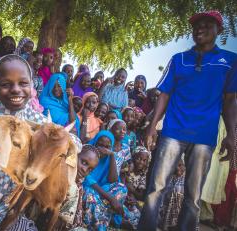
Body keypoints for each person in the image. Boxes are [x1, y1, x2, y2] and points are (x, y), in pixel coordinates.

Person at [0, 54, 82, 230]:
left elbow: (72, 141)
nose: (16, 89)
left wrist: (65, 141)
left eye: (23, 83)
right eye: (6, 84)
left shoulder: (32, 118)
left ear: (31, 85)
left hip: (4, 206)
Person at [139, 11, 237, 231]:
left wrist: (232, 135)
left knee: (193, 195)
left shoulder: (229, 61)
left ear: (219, 31)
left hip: (205, 135)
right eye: (196, 26)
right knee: (156, 188)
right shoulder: (178, 59)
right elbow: (164, 94)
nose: (199, 29)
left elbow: (230, 100)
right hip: (173, 131)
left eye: (206, 25)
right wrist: (153, 126)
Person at [82, 130, 128, 230]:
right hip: (86, 189)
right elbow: (87, 180)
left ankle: (101, 216)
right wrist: (111, 199)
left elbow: (114, 181)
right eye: (100, 145)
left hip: (100, 193)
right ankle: (99, 223)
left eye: (107, 147)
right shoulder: (87, 154)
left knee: (122, 188)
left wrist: (111, 155)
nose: (103, 149)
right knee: (90, 194)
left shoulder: (108, 157)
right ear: (95, 143)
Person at [57, 144, 100, 230]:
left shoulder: (79, 185)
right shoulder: (58, 176)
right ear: (74, 156)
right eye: (84, 162)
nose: (85, 170)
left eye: (90, 169)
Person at [159, 158, 185, 231]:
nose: (179, 168)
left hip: (178, 215)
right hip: (164, 214)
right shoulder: (167, 179)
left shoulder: (186, 180)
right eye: (176, 165)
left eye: (181, 165)